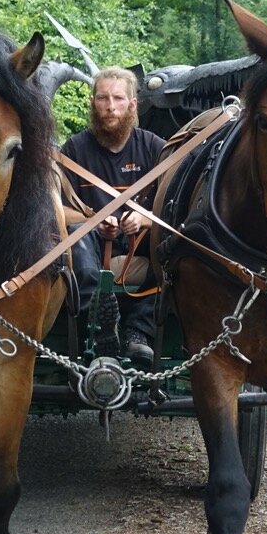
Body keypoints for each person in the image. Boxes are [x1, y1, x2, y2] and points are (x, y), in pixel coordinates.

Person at [59, 66, 167, 363]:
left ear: (133, 105)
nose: (110, 107)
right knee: (74, 236)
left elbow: (172, 205)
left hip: (140, 243)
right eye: (103, 98)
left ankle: (137, 332)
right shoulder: (74, 149)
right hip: (90, 243)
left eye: (118, 99)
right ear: (93, 102)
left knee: (169, 244)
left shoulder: (154, 148)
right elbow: (56, 208)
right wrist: (92, 222)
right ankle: (101, 326)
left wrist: (145, 218)